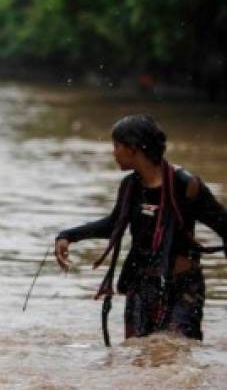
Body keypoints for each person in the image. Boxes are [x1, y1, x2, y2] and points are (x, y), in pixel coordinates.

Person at [55, 114, 227, 341]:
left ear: (134, 149)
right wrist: (67, 236)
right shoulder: (130, 186)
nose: (113, 152)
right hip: (141, 285)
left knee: (176, 352)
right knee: (137, 354)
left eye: (116, 146)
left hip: (183, 287)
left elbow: (224, 226)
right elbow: (112, 225)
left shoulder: (185, 185)